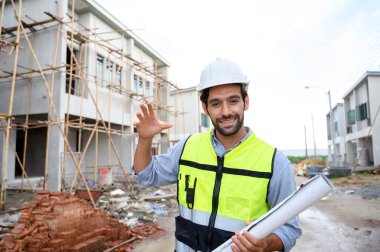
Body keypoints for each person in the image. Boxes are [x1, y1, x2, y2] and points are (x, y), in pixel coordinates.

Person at [131, 58, 302, 252]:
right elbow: (145, 175)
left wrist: (265, 244)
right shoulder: (187, 147)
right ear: (205, 108)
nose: (226, 111)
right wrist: (144, 140)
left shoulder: (274, 162)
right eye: (216, 104)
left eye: (233, 101)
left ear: (246, 102)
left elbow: (289, 229)